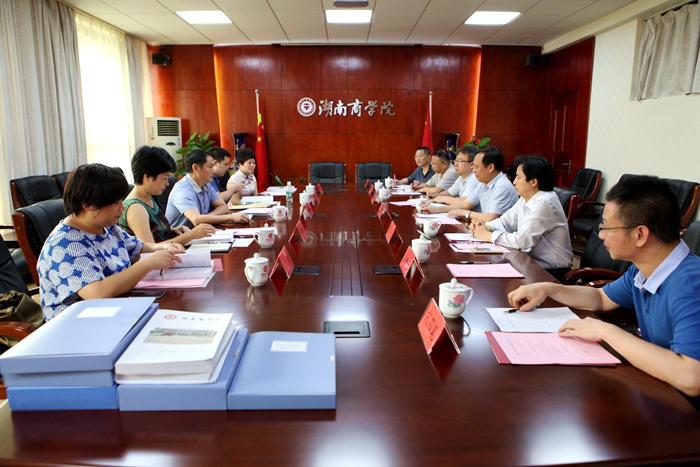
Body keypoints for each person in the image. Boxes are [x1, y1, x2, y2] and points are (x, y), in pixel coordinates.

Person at [508, 175, 700, 407]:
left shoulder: (690, 284)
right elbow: (601, 297)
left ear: (640, 235)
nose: (600, 235)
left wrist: (606, 331)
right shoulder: (644, 269)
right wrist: (549, 289)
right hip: (660, 390)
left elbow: (691, 378)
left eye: (606, 227)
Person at [38, 164, 184, 321]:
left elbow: (138, 248)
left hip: (116, 307)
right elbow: (97, 293)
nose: (122, 207)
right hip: (79, 323)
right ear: (87, 205)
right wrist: (148, 263)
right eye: (115, 202)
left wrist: (164, 247)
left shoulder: (106, 227)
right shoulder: (66, 243)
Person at [470, 156, 573, 276]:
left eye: (518, 177)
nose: (514, 182)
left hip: (551, 270)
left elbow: (522, 241)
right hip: (529, 260)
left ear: (533, 181)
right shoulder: (527, 197)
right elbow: (505, 221)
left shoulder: (544, 202)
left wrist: (488, 235)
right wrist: (486, 227)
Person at [119, 146, 216, 245]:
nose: (167, 183)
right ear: (147, 176)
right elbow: (149, 248)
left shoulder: (148, 198)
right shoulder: (136, 208)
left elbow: (155, 233)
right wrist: (191, 235)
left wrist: (172, 231)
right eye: (165, 178)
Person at [166, 149, 250, 228]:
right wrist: (231, 217)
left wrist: (205, 218)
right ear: (195, 168)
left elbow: (223, 207)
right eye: (210, 167)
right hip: (181, 237)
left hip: (199, 233)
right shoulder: (183, 190)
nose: (213, 171)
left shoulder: (206, 184)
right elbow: (196, 220)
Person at [442, 146, 518, 223]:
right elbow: (464, 205)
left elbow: (491, 218)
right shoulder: (483, 183)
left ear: (490, 167)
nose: (473, 170)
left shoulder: (502, 186)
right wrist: (437, 209)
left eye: (476, 167)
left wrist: (466, 213)